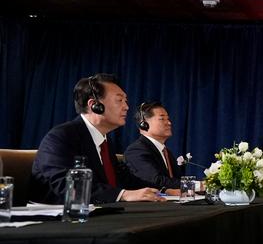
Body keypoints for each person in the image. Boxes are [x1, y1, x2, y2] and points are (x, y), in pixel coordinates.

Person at [30, 73, 164, 204]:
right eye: (119, 100)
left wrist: (163, 190)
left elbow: (125, 179)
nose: (126, 107)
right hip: (60, 219)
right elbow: (67, 185)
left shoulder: (104, 141)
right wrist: (123, 194)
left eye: (126, 101)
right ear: (94, 105)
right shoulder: (60, 137)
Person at [123, 101, 183, 193]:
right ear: (143, 124)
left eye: (168, 119)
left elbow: (175, 180)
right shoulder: (136, 150)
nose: (169, 123)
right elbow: (156, 180)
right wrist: (195, 185)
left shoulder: (166, 152)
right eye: (162, 119)